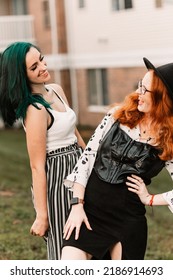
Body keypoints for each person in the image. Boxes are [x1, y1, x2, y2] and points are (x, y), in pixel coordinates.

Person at [61, 57, 173, 260]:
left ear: (162, 98)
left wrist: (150, 199)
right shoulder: (117, 116)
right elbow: (87, 159)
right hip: (89, 213)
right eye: (140, 85)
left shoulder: (168, 140)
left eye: (145, 90)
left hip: (127, 222)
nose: (138, 93)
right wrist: (76, 206)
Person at [0, 41, 85, 260]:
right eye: (34, 67)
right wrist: (42, 215)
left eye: (41, 59)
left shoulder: (56, 90)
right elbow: (37, 166)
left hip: (78, 170)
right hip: (58, 179)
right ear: (22, 75)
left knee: (87, 240)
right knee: (65, 242)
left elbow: (75, 134)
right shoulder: (35, 109)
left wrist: (90, 162)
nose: (43, 67)